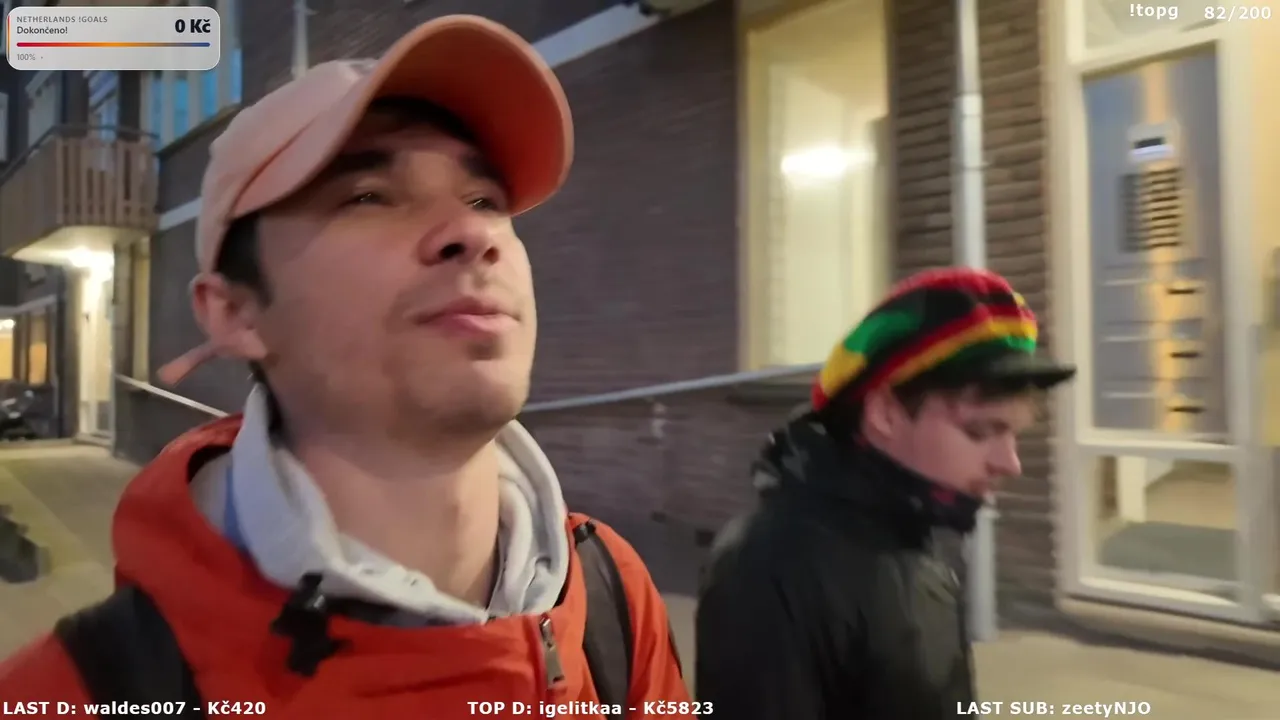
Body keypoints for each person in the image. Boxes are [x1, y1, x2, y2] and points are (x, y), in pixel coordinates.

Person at [0, 16, 691, 718]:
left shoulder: (614, 601)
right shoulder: (70, 696)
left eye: (486, 200)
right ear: (235, 313)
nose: (472, 232)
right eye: (369, 197)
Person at [695, 267, 1077, 719]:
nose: (1010, 463)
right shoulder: (766, 569)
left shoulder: (914, 529)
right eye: (979, 431)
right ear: (885, 414)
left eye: (1014, 434)